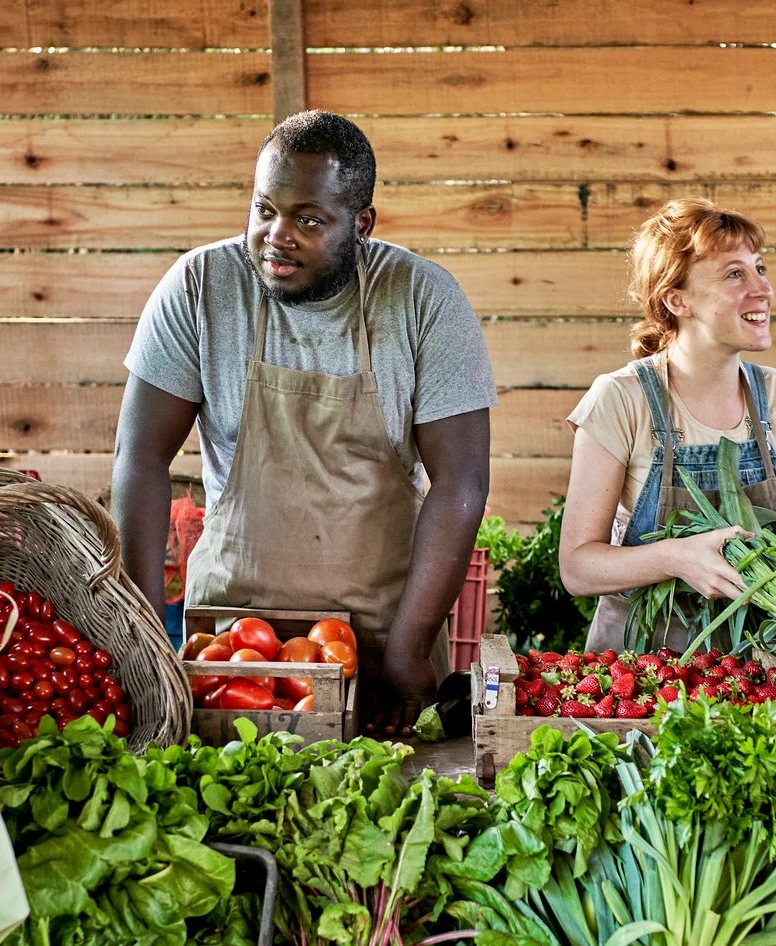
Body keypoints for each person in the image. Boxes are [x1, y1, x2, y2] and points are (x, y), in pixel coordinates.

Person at [112, 110, 495, 734]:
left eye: (308, 219)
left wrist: (405, 652)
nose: (276, 235)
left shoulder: (424, 300)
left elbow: (462, 484)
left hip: (379, 637)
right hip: (233, 649)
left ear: (361, 225)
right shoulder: (200, 288)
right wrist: (143, 634)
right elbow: (141, 458)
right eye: (265, 209)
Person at [557, 199, 776, 650]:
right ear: (676, 299)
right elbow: (578, 568)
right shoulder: (623, 399)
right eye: (734, 274)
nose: (763, 289)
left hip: (762, 668)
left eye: (759, 268)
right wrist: (678, 558)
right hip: (646, 671)